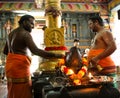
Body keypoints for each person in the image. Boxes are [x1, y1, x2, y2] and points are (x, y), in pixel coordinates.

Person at [3, 15, 64, 98]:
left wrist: (18, 55)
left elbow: (5, 51)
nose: (33, 26)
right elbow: (36, 51)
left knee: (13, 90)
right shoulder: (25, 34)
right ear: (24, 22)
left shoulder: (10, 34)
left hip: (10, 67)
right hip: (20, 68)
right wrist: (57, 55)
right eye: (31, 23)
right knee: (22, 92)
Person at [87, 15, 117, 88]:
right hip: (99, 69)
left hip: (106, 69)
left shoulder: (105, 32)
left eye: (90, 24)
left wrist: (97, 58)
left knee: (108, 93)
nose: (89, 26)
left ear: (96, 22)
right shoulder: (98, 34)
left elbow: (113, 47)